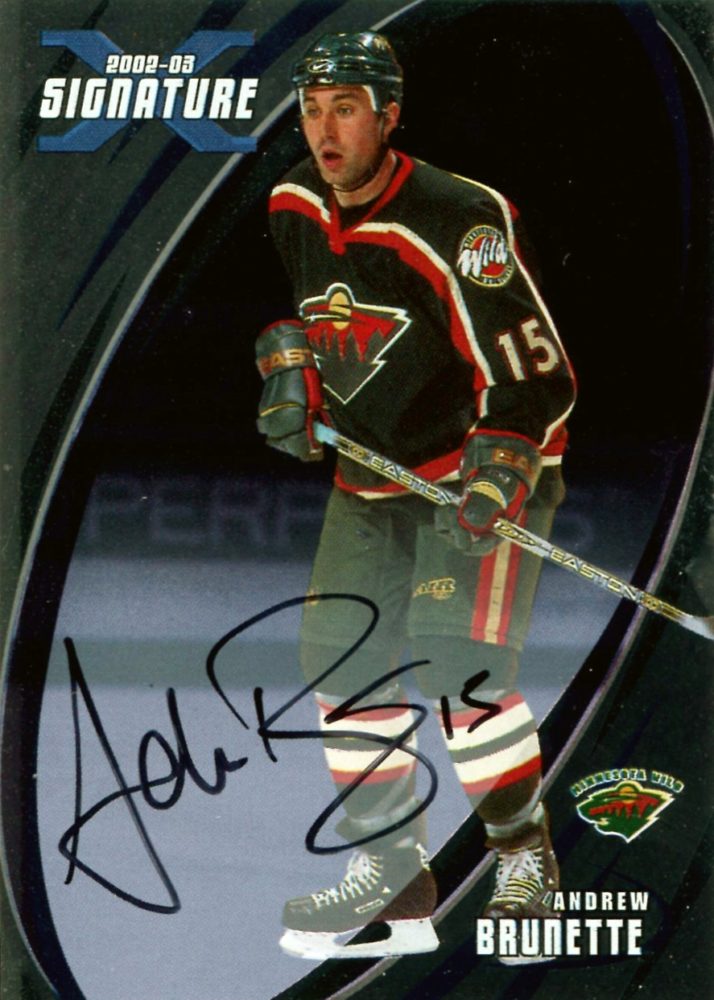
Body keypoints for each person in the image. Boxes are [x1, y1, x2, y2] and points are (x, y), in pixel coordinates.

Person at [255, 31, 576, 962]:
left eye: (347, 109)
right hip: (370, 481)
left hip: (474, 479)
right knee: (341, 664)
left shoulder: (459, 219)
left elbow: (537, 375)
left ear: (389, 116)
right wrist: (292, 375)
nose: (326, 131)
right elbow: (324, 316)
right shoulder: (292, 203)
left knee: (459, 670)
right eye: (313, 110)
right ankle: (395, 877)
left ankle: (524, 856)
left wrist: (500, 469)